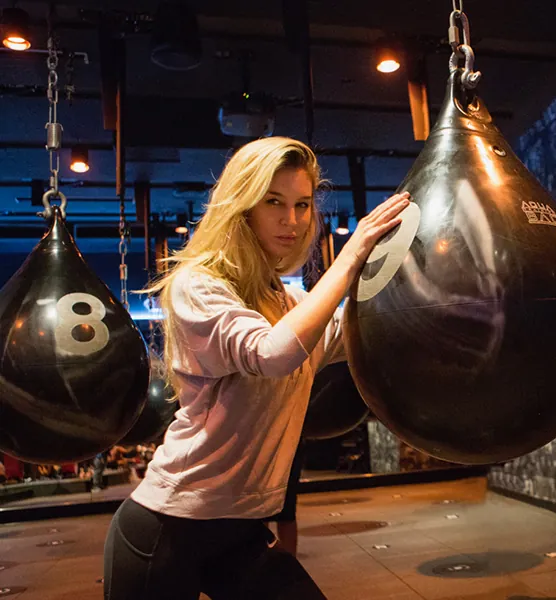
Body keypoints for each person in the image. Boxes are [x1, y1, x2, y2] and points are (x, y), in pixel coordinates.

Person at [102, 136, 410, 600]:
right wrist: (349, 258)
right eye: (274, 202)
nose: (292, 220)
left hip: (238, 529)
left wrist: (429, 287)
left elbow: (358, 331)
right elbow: (272, 353)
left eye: (302, 205)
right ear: (242, 207)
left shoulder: (287, 302)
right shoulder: (198, 287)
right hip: (167, 528)